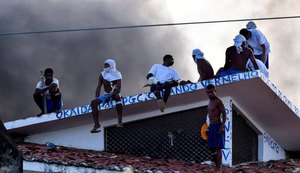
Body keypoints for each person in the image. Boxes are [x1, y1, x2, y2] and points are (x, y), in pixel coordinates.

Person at [90, 59, 123, 133]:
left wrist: (109, 97)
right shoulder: (102, 74)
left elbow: (118, 90)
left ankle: (120, 121)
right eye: (104, 65)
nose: (105, 66)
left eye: (107, 65)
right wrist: (97, 98)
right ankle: (96, 124)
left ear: (111, 66)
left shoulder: (117, 74)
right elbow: (98, 87)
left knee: (118, 98)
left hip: (114, 94)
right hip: (106, 94)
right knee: (93, 102)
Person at [206, 84, 226, 173]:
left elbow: (224, 114)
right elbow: (209, 116)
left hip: (218, 125)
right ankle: (216, 165)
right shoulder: (209, 102)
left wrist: (222, 126)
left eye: (211, 92)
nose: (210, 94)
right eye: (208, 92)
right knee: (211, 148)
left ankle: (219, 168)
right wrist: (208, 127)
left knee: (218, 148)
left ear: (215, 91)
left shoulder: (218, 101)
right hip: (211, 127)